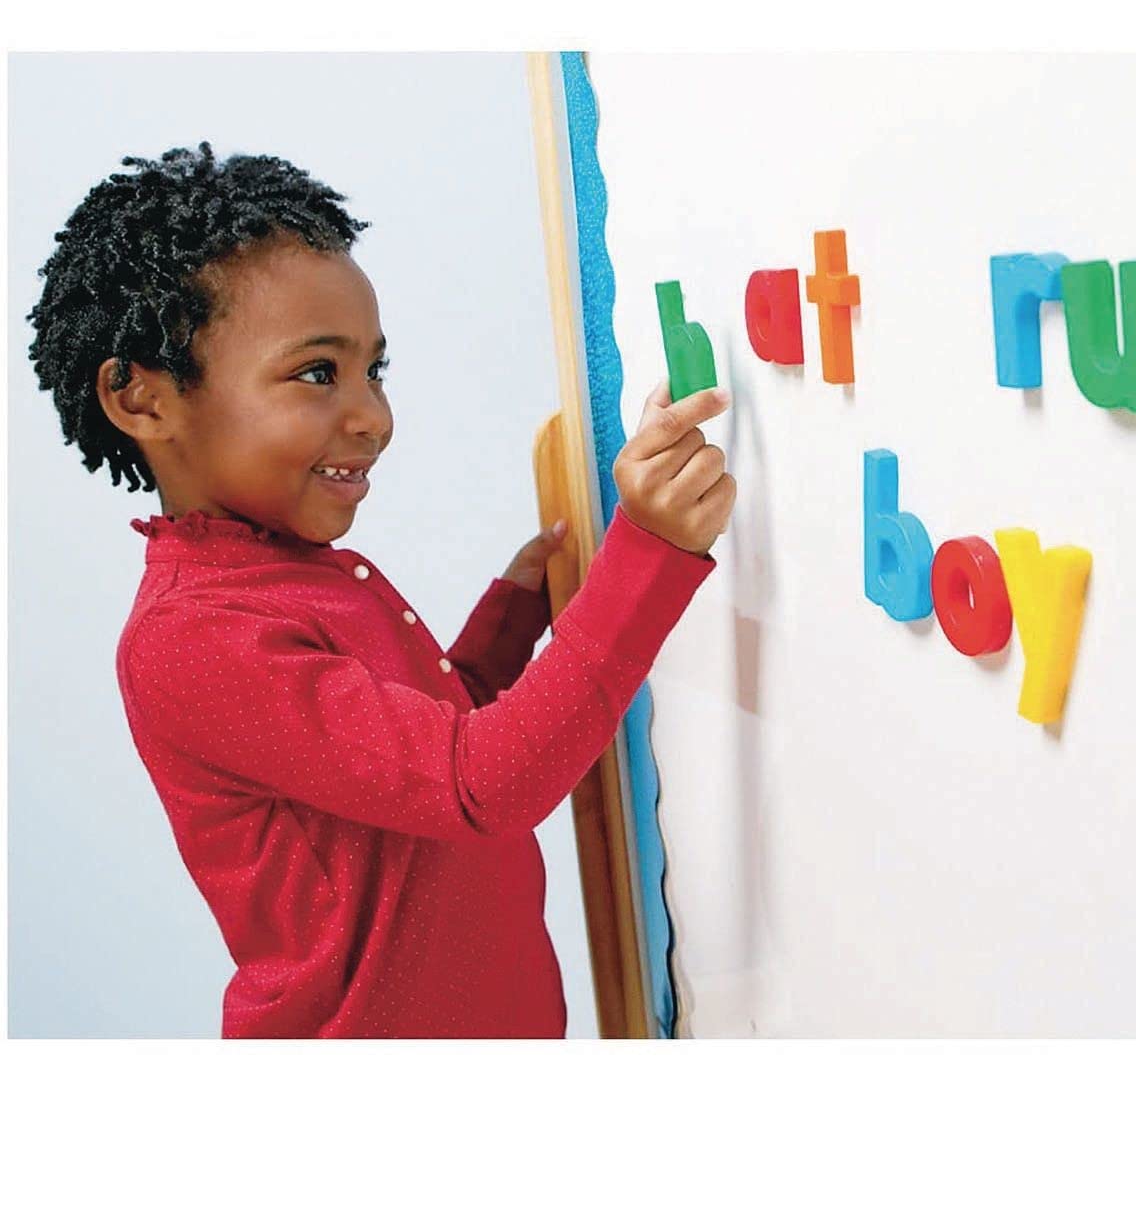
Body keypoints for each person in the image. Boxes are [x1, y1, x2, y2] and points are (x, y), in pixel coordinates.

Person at [25, 142, 735, 1038]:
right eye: (318, 374)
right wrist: (651, 553)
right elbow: (481, 784)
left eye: (375, 371)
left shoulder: (292, 575)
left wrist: (512, 619)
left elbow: (423, 762)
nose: (374, 417)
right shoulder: (195, 638)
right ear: (143, 400)